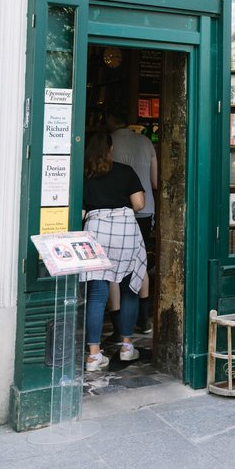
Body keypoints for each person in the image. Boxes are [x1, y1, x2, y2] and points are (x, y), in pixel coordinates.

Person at [83, 132, 148, 371]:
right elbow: (140, 204)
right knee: (130, 288)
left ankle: (93, 355)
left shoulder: (84, 174)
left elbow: (80, 214)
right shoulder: (125, 171)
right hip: (125, 231)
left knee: (98, 294)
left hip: (96, 230)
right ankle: (127, 346)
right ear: (110, 149)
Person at [106, 103, 157, 334]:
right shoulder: (146, 142)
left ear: (110, 120)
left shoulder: (110, 143)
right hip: (144, 210)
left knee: (113, 267)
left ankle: (118, 326)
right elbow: (155, 183)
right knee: (141, 263)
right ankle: (142, 320)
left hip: (116, 211)